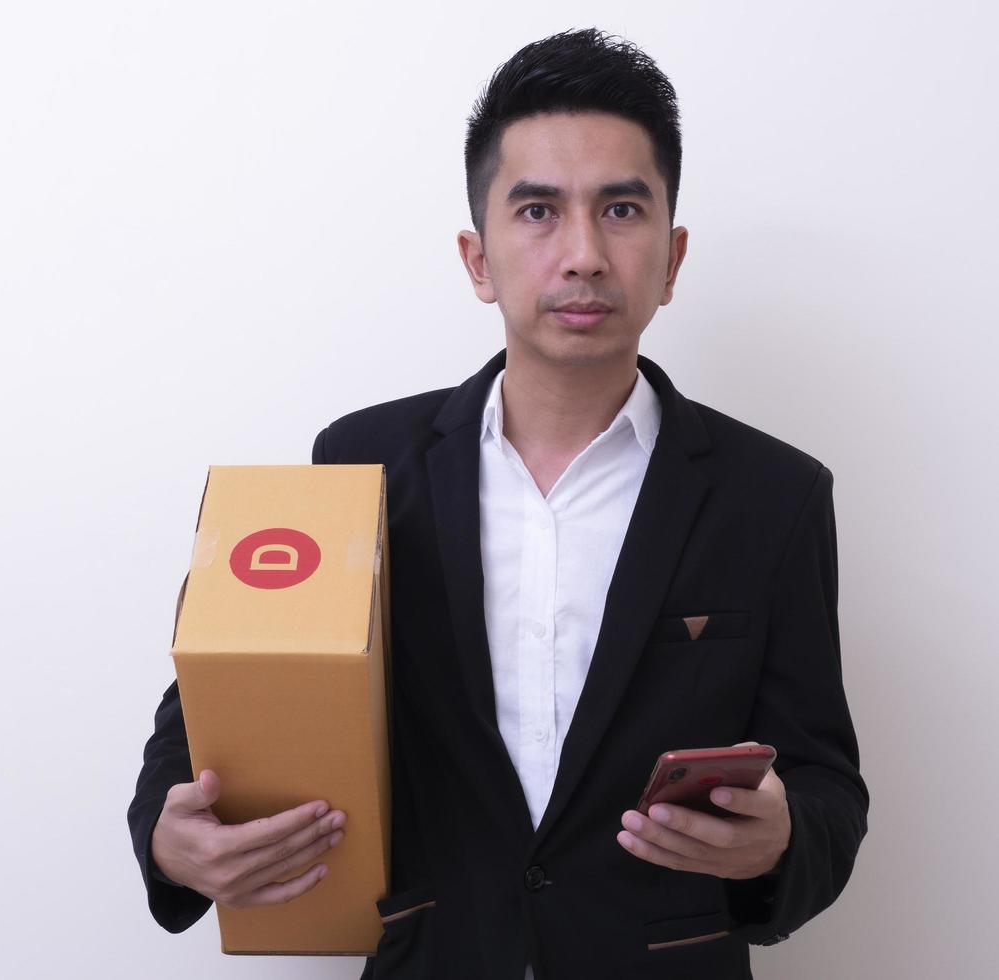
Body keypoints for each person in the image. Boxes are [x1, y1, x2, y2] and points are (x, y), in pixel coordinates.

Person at [128, 28, 869, 979]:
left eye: (621, 208)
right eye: (536, 211)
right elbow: (207, 709)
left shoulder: (774, 495)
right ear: (478, 259)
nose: (583, 254)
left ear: (672, 256)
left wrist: (777, 842)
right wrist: (167, 833)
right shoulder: (362, 463)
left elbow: (825, 790)